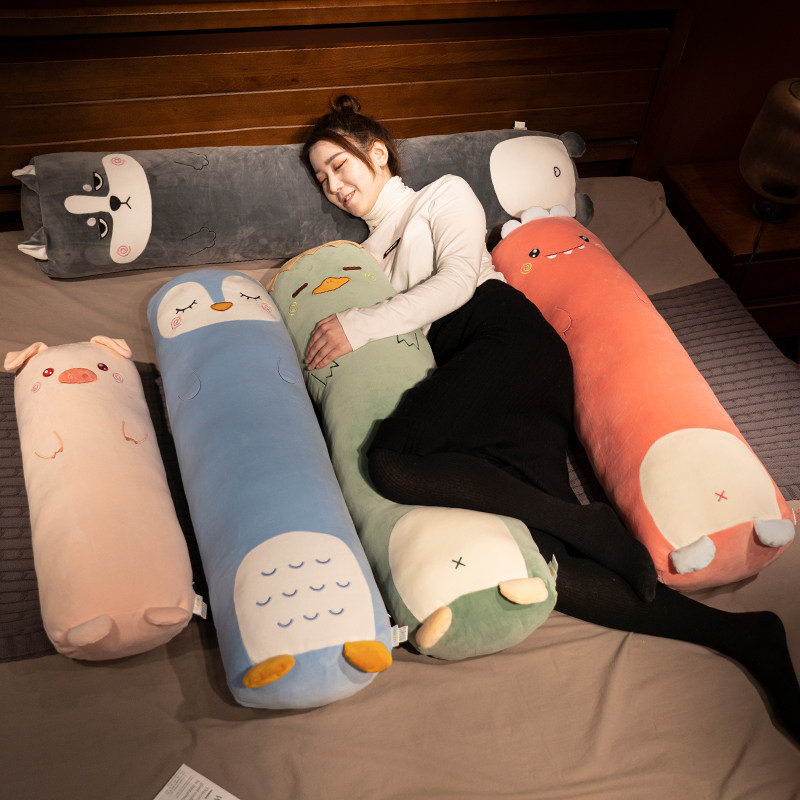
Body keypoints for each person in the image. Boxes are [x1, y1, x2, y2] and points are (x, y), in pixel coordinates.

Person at [301, 94, 800, 741]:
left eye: (340, 165)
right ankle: (745, 635)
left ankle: (586, 522)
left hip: (503, 340)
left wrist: (359, 323)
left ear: (377, 153)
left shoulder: (442, 196)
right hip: (470, 382)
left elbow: (457, 282)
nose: (334, 186)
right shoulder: (363, 258)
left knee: (392, 461)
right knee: (549, 563)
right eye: (321, 178)